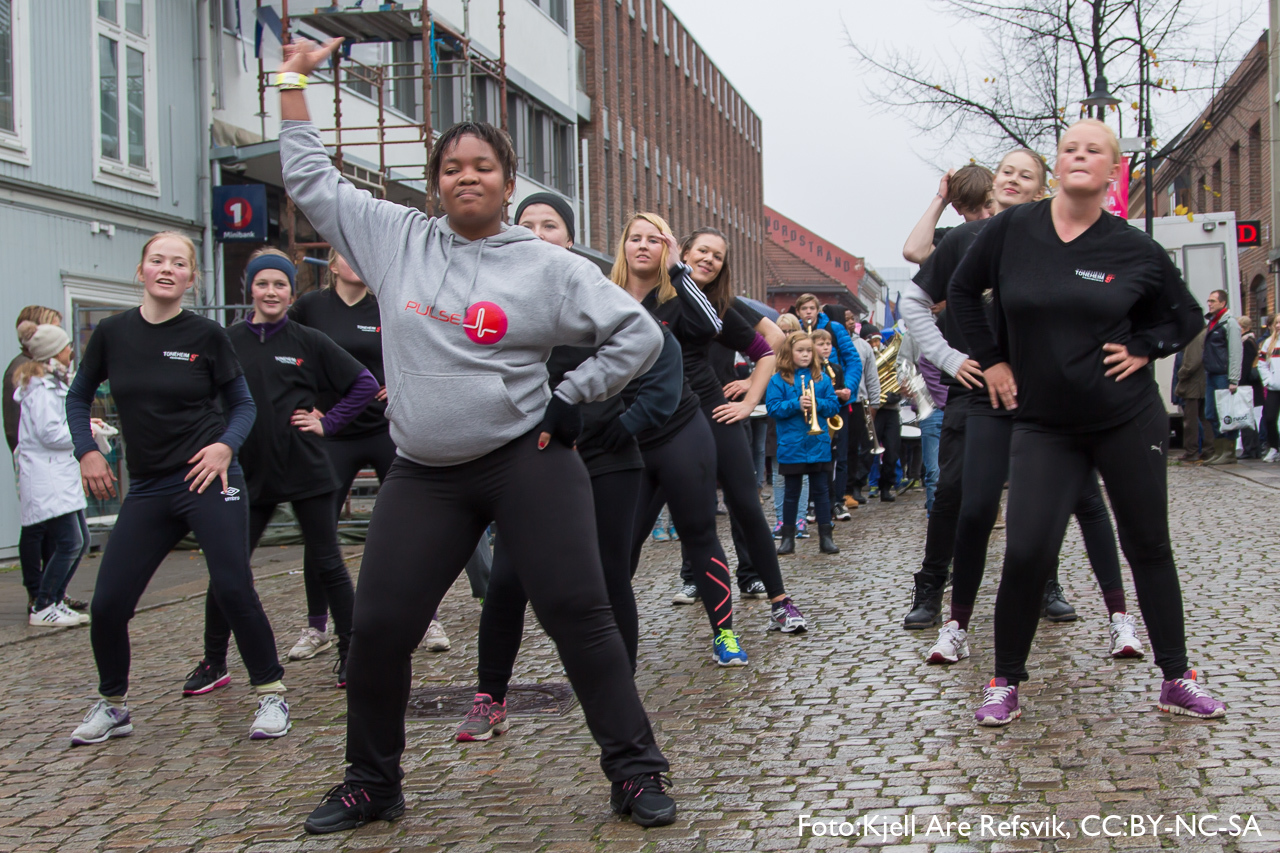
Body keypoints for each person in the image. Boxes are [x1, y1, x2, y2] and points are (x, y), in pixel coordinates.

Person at [277, 37, 675, 833]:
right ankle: (372, 782)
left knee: (579, 613)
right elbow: (311, 179)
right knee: (380, 628)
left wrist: (574, 397)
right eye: (452, 166)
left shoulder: (547, 266)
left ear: (507, 181)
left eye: (482, 166)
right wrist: (292, 81)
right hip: (424, 471)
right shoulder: (396, 240)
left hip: (523, 459)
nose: (467, 176)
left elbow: (638, 336)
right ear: (435, 184)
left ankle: (635, 771)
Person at [949, 119, 1223, 725]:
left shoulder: (1134, 248)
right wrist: (992, 361)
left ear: (1111, 170)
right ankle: (1004, 681)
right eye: (1069, 147)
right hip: (1044, 424)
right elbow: (962, 292)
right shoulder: (1012, 229)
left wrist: (1146, 347)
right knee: (1024, 551)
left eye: (1092, 150)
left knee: (1148, 545)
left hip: (1125, 419)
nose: (1078, 155)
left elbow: (1184, 317)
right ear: (1057, 163)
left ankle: (1177, 677)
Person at [455, 198, 718, 744]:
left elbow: (662, 368)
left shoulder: (597, 296)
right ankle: (489, 697)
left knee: (606, 574)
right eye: (524, 224)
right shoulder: (494, 300)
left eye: (548, 225)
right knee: (508, 579)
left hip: (606, 457)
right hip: (526, 461)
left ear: (570, 241)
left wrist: (613, 429)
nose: (535, 233)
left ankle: (618, 689)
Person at [66, 231, 290, 746]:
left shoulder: (206, 335)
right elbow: (79, 397)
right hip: (148, 486)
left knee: (232, 585)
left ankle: (271, 692)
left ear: (191, 277)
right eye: (157, 260)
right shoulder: (112, 334)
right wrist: (87, 450)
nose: (167, 269)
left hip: (207, 476)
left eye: (179, 263)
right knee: (107, 602)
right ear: (141, 270)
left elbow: (244, 405)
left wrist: (225, 448)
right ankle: (114, 705)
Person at [187, 248, 378, 696]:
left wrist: (327, 422)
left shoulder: (306, 340)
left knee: (328, 562)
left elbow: (364, 383)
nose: (270, 292)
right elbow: (201, 395)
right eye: (262, 284)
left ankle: (351, 653)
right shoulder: (227, 340)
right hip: (246, 472)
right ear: (249, 289)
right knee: (229, 570)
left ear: (291, 293)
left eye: (279, 285)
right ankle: (214, 660)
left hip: (306, 465)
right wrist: (215, 437)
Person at [290, 248, 463, 656]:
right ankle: (317, 627)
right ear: (331, 266)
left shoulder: (388, 302)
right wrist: (304, 401)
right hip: (332, 432)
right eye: (345, 254)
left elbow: (422, 346)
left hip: (386, 429)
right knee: (319, 530)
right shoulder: (310, 308)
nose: (356, 258)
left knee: (415, 529)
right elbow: (290, 356)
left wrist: (398, 382)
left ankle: (429, 620)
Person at [897, 147, 1042, 629]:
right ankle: (932, 584)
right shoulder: (959, 239)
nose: (983, 213)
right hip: (972, 384)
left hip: (1029, 383)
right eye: (974, 205)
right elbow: (914, 258)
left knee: (1038, 487)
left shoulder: (1039, 236)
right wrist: (948, 358)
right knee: (953, 490)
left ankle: (1046, 581)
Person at [660, 225, 809, 632]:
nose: (709, 259)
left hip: (714, 407)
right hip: (664, 417)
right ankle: (691, 584)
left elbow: (770, 344)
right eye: (702, 251)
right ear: (683, 253)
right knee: (690, 507)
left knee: (745, 502)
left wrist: (748, 397)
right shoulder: (655, 299)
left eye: (717, 256)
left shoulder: (721, 305)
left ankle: (778, 599)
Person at [14, 323, 91, 627]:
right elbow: (50, 434)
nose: (71, 350)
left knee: (81, 540)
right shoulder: (41, 388)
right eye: (67, 345)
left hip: (59, 474)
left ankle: (55, 599)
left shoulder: (51, 383)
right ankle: (44, 603)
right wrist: (85, 431)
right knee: (70, 541)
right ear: (53, 353)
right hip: (48, 476)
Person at [768, 332, 840, 555]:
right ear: (789, 353)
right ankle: (788, 539)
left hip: (818, 444)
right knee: (792, 492)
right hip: (792, 444)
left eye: (809, 351)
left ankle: (825, 538)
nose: (806, 355)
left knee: (821, 491)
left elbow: (833, 406)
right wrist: (795, 404)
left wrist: (816, 402)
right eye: (800, 351)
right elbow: (773, 408)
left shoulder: (822, 379)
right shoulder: (778, 379)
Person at [902, 165, 996, 264]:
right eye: (973, 209)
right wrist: (941, 199)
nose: (985, 216)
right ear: (958, 209)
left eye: (988, 204)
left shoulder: (1011, 233)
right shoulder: (953, 242)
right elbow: (913, 251)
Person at [810, 329, 851, 522]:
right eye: (820, 344)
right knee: (816, 463)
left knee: (834, 462)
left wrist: (843, 395)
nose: (825, 347)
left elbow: (839, 400)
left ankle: (834, 501)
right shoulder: (810, 370)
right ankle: (813, 504)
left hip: (832, 418)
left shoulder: (836, 368)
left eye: (828, 344)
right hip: (815, 419)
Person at [1201, 289, 1241, 465]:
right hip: (1211, 373)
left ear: (1223, 303)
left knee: (1226, 414)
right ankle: (1219, 449)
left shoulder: (1229, 323)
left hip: (1223, 375)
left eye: (1213, 301)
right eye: (1209, 301)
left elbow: (1235, 352)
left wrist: (1233, 379)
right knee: (1211, 413)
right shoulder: (1212, 322)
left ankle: (1228, 451)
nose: (1209, 304)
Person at [847, 326, 881, 506]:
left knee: (863, 447)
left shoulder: (863, 346)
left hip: (861, 402)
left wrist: (874, 403)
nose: (850, 322)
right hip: (842, 401)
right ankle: (844, 488)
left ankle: (856, 485)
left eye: (852, 318)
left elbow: (871, 377)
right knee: (848, 448)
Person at [1175, 328, 1214, 462]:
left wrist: (1181, 374)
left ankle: (1192, 451)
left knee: (1191, 419)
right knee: (1205, 418)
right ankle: (1208, 450)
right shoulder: (1205, 333)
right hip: (1203, 382)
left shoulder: (1196, 335)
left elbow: (1192, 362)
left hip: (1194, 384)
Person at [1239, 316, 1263, 459]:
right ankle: (1252, 448)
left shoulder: (1247, 342)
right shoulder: (1250, 341)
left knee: (1246, 416)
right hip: (1249, 385)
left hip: (1247, 385)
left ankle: (1250, 448)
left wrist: (1238, 382)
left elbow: (1245, 366)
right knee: (1249, 417)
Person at [1259, 313, 1280, 462]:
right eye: (1277, 323)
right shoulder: (1268, 343)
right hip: (1274, 387)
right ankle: (1274, 447)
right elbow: (1262, 364)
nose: (1278, 325)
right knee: (1270, 417)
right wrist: (1268, 380)